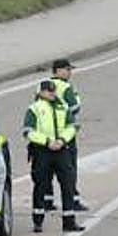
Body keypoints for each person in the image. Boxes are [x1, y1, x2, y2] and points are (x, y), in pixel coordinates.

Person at [23, 79, 82, 233]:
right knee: (40, 185)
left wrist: (62, 140)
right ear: (41, 93)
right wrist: (47, 141)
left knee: (68, 184)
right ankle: (38, 220)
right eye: (49, 91)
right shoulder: (34, 109)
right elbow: (28, 131)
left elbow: (72, 126)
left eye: (53, 91)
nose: (52, 93)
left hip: (61, 149)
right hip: (42, 151)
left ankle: (69, 221)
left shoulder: (63, 107)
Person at [48, 57, 87, 211]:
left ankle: (47, 201)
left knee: (47, 171)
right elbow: (75, 107)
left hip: (47, 135)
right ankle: (73, 200)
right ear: (58, 71)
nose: (70, 73)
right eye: (67, 69)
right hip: (65, 134)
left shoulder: (43, 86)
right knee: (69, 169)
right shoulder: (65, 87)